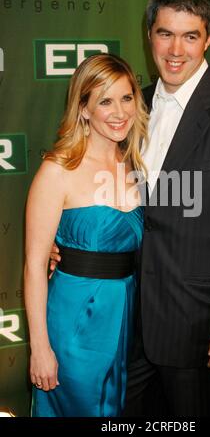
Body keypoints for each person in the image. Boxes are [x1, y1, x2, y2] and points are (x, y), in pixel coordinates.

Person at [50, 0, 210, 417]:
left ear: (209, 38)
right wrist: (71, 249)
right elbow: (107, 192)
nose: (176, 50)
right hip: (128, 320)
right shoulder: (132, 107)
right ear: (149, 34)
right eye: (165, 33)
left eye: (190, 35)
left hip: (199, 325)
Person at [24, 53, 148, 417]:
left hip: (127, 314)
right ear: (83, 109)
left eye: (126, 98)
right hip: (75, 319)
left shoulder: (137, 165)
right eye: (105, 101)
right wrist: (40, 348)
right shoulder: (58, 170)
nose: (119, 112)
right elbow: (34, 267)